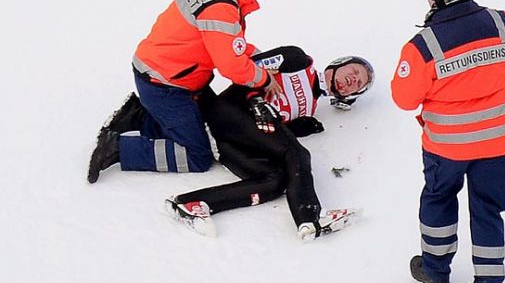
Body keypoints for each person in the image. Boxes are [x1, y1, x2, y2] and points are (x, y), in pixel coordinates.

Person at [107, 46, 374, 240]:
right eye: (354, 71)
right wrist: (254, 100)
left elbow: (269, 134)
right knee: (298, 154)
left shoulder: (311, 108)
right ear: (339, 63)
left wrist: (294, 126)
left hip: (231, 140)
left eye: (358, 84)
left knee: (276, 179)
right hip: (230, 109)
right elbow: (248, 68)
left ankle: (191, 204)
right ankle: (311, 217)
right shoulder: (298, 60)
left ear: (350, 97)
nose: (353, 80)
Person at [390, 0, 505, 283]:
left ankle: (435, 272)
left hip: (447, 145)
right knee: (488, 210)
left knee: (439, 198)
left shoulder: (424, 45)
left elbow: (404, 98)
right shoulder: (500, 22)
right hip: (498, 142)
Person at [87, 0, 280, 184]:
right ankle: (119, 148)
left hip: (167, 75)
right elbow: (231, 65)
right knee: (197, 155)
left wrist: (257, 57)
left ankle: (139, 116)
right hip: (164, 85)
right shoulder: (220, 7)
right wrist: (264, 80)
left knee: (208, 125)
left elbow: (224, 43)